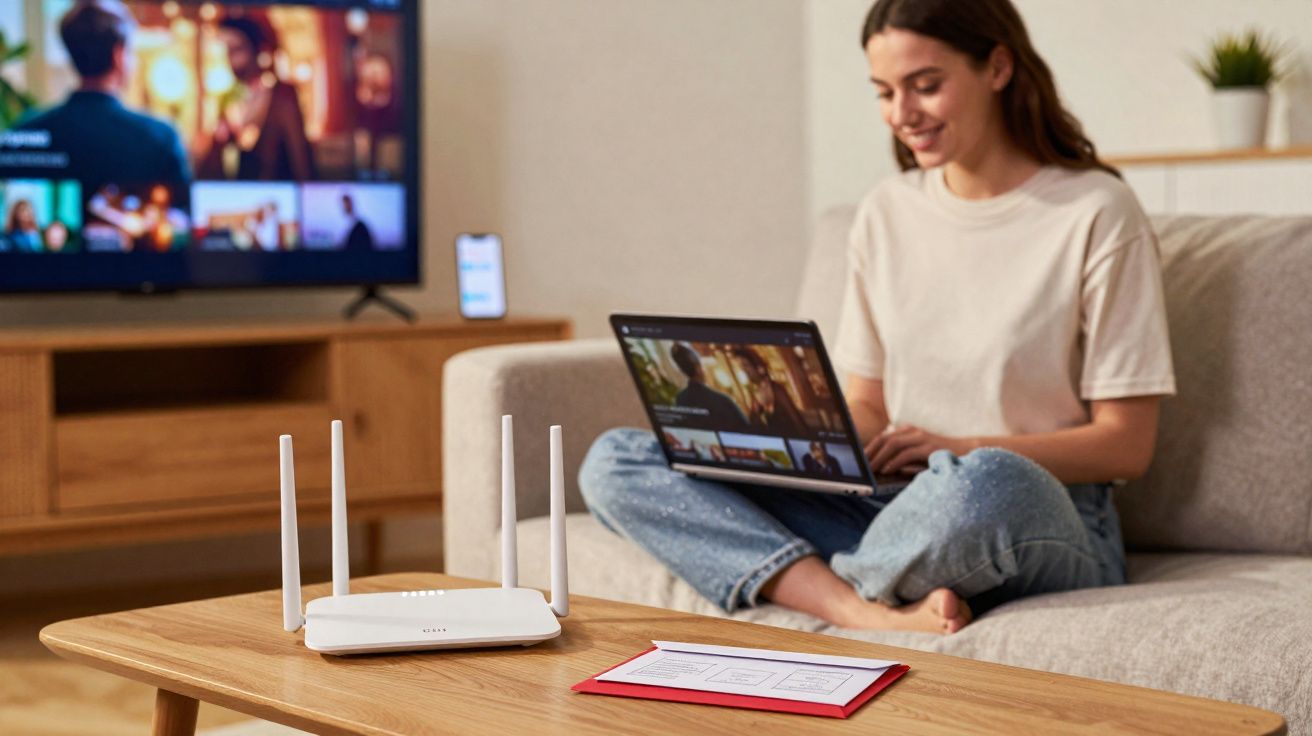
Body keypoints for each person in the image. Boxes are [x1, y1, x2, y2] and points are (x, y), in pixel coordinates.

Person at [579, 0, 1174, 635]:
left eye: (926, 85)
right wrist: (802, 447)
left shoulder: (1097, 211)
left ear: (998, 68)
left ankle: (811, 572)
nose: (901, 114)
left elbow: (1126, 444)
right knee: (616, 460)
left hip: (1030, 509)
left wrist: (958, 449)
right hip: (893, 503)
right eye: (885, 93)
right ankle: (851, 605)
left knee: (989, 481)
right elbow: (870, 403)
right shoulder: (887, 211)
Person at [16, 0, 190, 194]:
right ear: (118, 55)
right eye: (131, 52)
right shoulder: (161, 139)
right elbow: (179, 207)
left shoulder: (25, 134)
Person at [197, 16, 316, 181]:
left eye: (237, 49)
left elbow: (301, 162)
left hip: (277, 193)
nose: (231, 59)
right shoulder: (228, 99)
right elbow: (212, 168)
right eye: (227, 51)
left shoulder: (283, 95)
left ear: (256, 50)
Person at [669, 342, 751, 431]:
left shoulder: (680, 401)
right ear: (698, 369)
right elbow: (746, 430)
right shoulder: (722, 401)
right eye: (702, 365)